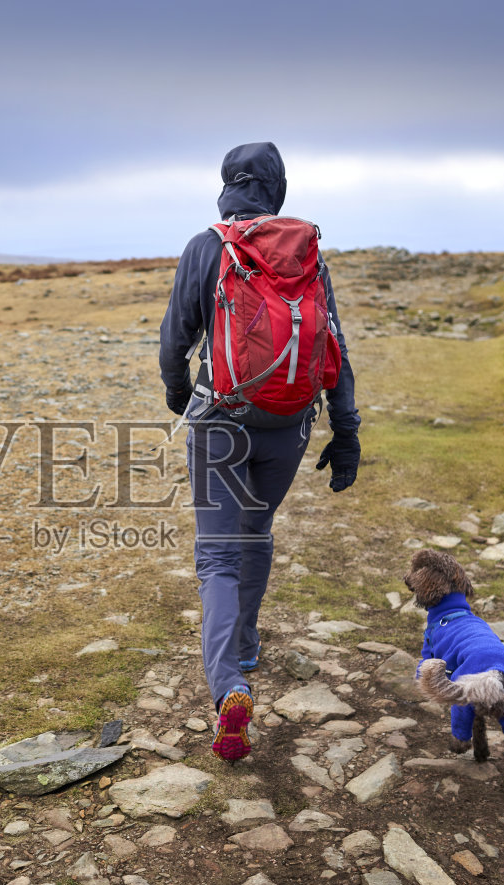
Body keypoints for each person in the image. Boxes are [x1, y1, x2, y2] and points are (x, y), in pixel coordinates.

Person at [159, 142, 361, 762]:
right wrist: (346, 429)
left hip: (223, 418)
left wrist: (179, 394)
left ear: (227, 183)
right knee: (258, 530)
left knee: (218, 555)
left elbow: (175, 339)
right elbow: (332, 345)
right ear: (276, 187)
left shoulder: (208, 246)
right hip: (290, 424)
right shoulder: (305, 252)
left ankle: (230, 686)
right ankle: (244, 645)